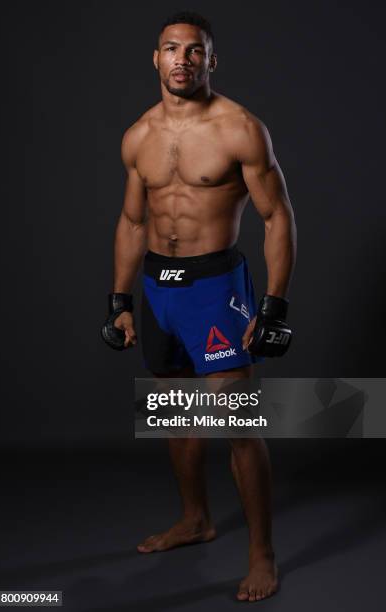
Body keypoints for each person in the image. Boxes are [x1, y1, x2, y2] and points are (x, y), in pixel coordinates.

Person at [102, 11, 296, 603]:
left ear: (211, 60)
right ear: (155, 59)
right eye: (170, 48)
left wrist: (274, 306)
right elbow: (134, 220)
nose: (181, 59)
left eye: (194, 50)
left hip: (217, 288)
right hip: (158, 287)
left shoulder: (241, 129)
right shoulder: (138, 136)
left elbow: (277, 217)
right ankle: (195, 519)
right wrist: (119, 300)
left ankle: (262, 553)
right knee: (175, 413)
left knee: (237, 424)